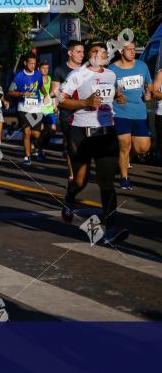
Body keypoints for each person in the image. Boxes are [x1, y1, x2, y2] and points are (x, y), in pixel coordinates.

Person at [58, 42, 128, 245]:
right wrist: (84, 103)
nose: (100, 55)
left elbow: (112, 93)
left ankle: (111, 228)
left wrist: (119, 96)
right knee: (81, 181)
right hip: (81, 132)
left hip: (106, 132)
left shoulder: (111, 75)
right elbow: (61, 100)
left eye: (103, 52)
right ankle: (70, 196)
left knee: (107, 182)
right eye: (95, 52)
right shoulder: (77, 75)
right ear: (89, 56)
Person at [109, 41, 153, 189]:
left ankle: (122, 158)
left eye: (134, 49)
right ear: (121, 51)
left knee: (143, 148)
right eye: (129, 49)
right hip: (120, 112)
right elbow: (107, 92)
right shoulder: (112, 70)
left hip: (139, 112)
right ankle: (124, 178)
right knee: (124, 144)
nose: (133, 52)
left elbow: (149, 85)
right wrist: (116, 95)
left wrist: (148, 93)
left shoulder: (142, 65)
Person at [51, 40, 85, 185]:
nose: (82, 55)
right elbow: (54, 92)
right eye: (78, 52)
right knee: (73, 145)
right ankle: (73, 175)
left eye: (83, 52)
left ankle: (82, 170)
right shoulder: (60, 70)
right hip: (68, 114)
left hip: (86, 113)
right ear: (70, 53)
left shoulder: (87, 69)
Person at [8, 53, 47, 166]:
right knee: (26, 132)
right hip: (23, 108)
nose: (33, 65)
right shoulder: (19, 76)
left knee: (36, 134)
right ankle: (27, 156)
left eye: (34, 64)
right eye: (31, 63)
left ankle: (38, 150)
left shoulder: (38, 75)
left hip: (36, 108)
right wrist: (22, 93)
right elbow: (10, 92)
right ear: (25, 63)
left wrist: (45, 94)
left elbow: (40, 86)